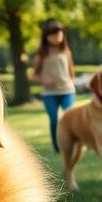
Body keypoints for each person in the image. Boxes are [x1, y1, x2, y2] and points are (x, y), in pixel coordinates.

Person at [31, 19, 76, 153]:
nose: (56, 37)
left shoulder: (66, 51)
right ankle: (57, 145)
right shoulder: (41, 54)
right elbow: (34, 75)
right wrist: (44, 80)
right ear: (46, 37)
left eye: (59, 34)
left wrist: (72, 83)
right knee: (54, 118)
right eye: (53, 35)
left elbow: (71, 71)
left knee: (69, 117)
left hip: (67, 91)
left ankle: (71, 143)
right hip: (49, 93)